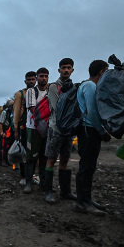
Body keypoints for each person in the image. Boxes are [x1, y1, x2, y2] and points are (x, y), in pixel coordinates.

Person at [75, 60, 110, 216]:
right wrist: (102, 130)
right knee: (86, 166)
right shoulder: (90, 86)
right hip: (88, 129)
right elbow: (92, 111)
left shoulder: (87, 84)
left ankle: (86, 199)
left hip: (87, 129)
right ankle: (83, 202)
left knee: (89, 166)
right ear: (101, 72)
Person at [44, 58, 77, 202]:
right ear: (59, 70)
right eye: (63, 67)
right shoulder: (53, 87)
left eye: (68, 68)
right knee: (51, 159)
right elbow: (58, 109)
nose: (66, 70)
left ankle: (65, 192)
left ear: (72, 70)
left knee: (65, 159)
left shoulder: (73, 87)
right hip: (56, 129)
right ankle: (48, 192)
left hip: (68, 131)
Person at [24, 68, 49, 194]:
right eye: (41, 76)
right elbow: (33, 109)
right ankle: (29, 182)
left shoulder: (51, 91)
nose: (43, 78)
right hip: (33, 129)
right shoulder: (31, 91)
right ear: (37, 78)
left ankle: (44, 184)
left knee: (45, 157)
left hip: (47, 128)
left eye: (46, 76)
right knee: (31, 157)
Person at [14, 71, 37, 184]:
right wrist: (16, 129)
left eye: (33, 79)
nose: (31, 81)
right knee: (24, 153)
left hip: (36, 127)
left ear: (36, 80)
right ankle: (23, 176)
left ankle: (32, 175)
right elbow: (17, 112)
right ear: (25, 81)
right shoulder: (20, 94)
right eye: (29, 80)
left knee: (34, 152)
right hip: (24, 127)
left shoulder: (39, 92)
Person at [0, 100, 14, 167]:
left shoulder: (11, 112)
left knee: (8, 148)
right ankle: (2, 161)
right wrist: (1, 132)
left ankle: (7, 161)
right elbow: (0, 123)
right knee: (3, 148)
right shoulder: (5, 112)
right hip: (5, 131)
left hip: (10, 132)